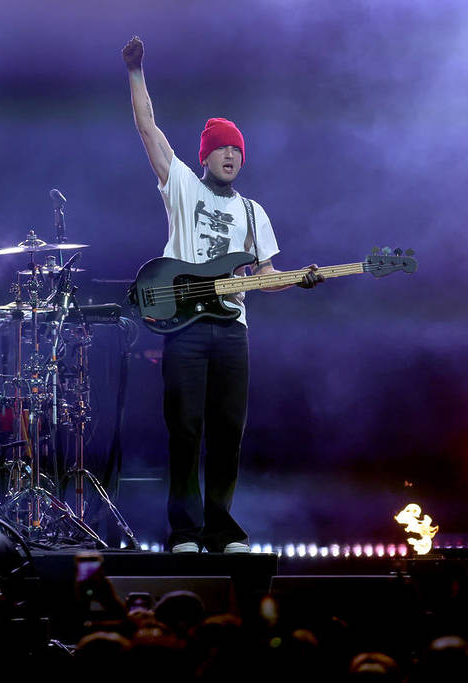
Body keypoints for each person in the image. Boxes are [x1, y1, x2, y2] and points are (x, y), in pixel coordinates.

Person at [122, 36, 324, 554]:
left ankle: (221, 531)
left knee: (228, 432)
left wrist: (299, 278)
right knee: (185, 430)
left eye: (237, 149)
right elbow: (148, 128)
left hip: (233, 331)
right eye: (222, 148)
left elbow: (266, 274)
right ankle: (185, 534)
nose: (231, 155)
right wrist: (137, 72)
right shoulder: (183, 185)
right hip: (184, 330)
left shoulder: (255, 213)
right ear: (206, 156)